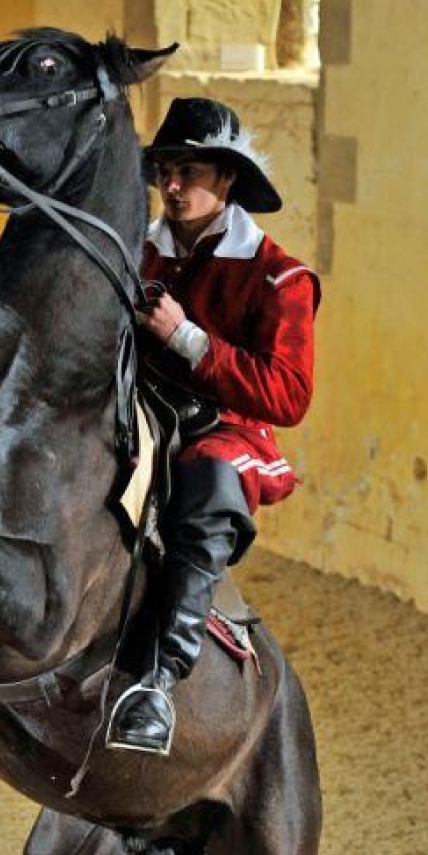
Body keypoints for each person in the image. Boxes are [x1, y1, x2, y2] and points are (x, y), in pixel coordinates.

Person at [107, 97, 320, 756]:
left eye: (190, 172)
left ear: (226, 180)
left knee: (203, 483)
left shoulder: (280, 277)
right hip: (131, 411)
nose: (171, 186)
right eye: (165, 171)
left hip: (225, 432)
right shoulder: (132, 250)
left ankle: (158, 682)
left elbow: (286, 395)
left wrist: (187, 339)